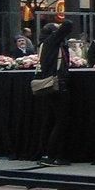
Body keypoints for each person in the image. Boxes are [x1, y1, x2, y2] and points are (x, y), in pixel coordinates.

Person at [34, 18, 73, 166]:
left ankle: (48, 153)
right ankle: (53, 155)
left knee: (51, 120)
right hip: (58, 85)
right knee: (61, 121)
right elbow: (68, 24)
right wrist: (60, 21)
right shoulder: (52, 41)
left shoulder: (45, 44)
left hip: (48, 85)